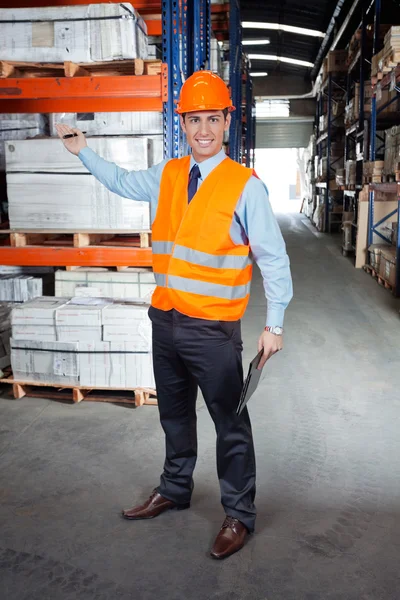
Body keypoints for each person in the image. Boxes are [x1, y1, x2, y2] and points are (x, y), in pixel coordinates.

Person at [56, 70, 293, 560]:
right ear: (181, 123)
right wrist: (83, 150)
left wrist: (275, 324)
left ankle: (239, 514)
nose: (202, 129)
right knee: (174, 415)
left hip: (213, 329)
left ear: (227, 120)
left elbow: (273, 257)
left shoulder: (244, 186)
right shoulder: (166, 175)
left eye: (212, 118)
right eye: (193, 120)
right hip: (165, 320)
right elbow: (120, 181)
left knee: (230, 424)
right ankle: (175, 488)